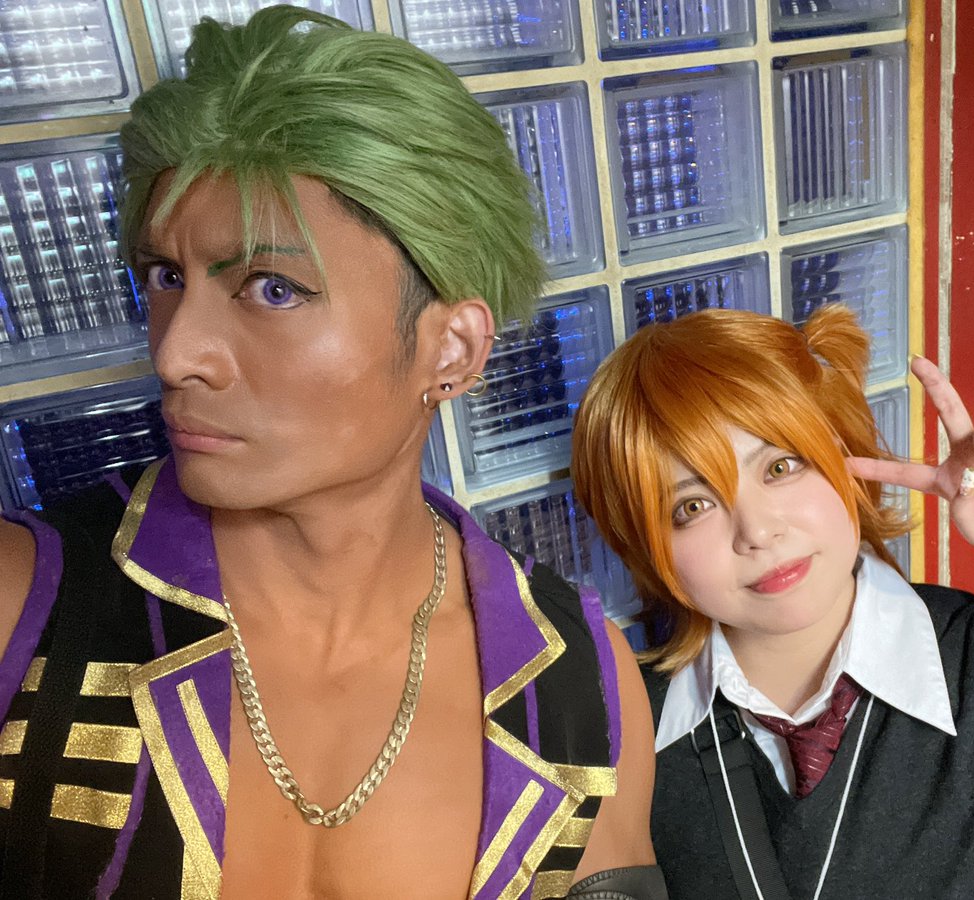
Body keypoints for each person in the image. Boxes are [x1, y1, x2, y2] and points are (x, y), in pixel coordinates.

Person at [0, 7, 663, 899]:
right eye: (165, 277)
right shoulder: (24, 605)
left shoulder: (580, 684)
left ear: (452, 349)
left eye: (272, 289)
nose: (177, 353)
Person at [570, 304, 974, 899]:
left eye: (780, 467)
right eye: (692, 506)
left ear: (845, 455)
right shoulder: (612, 734)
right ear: (644, 546)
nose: (757, 531)